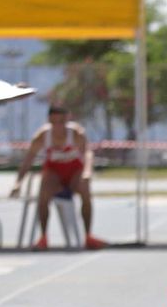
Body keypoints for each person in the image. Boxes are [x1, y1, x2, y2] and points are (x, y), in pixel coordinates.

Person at [10, 104, 105, 250]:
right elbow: (28, 160)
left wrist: (87, 172)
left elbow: (87, 153)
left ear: (67, 120)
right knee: (43, 192)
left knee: (85, 190)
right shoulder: (42, 136)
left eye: (61, 122)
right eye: (54, 123)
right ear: (49, 121)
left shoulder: (76, 134)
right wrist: (18, 183)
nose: (58, 126)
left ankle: (88, 235)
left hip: (74, 171)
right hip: (54, 172)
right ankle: (43, 236)